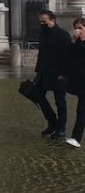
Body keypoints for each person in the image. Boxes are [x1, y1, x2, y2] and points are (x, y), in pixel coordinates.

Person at [33, 10, 70, 139]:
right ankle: (52, 121)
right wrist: (38, 71)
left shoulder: (63, 35)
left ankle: (61, 128)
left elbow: (67, 57)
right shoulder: (43, 34)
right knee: (37, 95)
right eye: (41, 22)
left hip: (59, 74)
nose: (42, 24)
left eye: (45, 22)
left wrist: (64, 74)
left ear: (53, 20)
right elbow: (41, 53)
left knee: (60, 101)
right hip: (44, 72)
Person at [59, 18, 85, 149]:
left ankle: (76, 138)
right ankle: (75, 138)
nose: (77, 30)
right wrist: (74, 41)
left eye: (80, 27)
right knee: (81, 110)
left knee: (82, 110)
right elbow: (68, 55)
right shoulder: (75, 41)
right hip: (80, 81)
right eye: (76, 27)